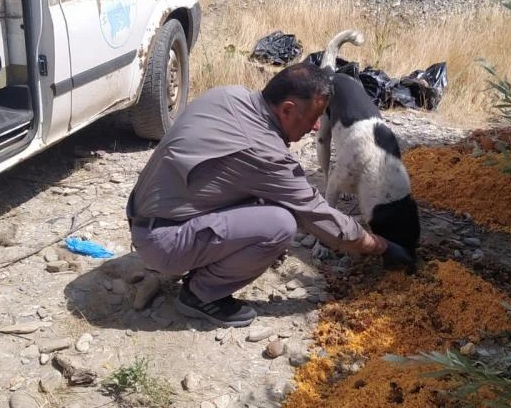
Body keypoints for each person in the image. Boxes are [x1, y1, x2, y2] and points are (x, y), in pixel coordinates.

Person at [126, 62, 409, 328]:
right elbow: (319, 217)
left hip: (148, 214)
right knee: (281, 225)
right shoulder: (264, 152)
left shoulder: (229, 95)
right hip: (162, 241)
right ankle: (200, 295)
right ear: (287, 110)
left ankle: (204, 259)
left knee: (273, 200)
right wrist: (382, 246)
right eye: (312, 118)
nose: (314, 128)